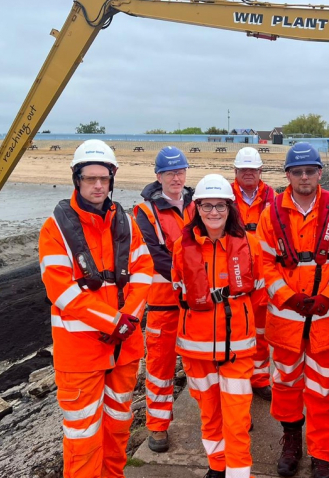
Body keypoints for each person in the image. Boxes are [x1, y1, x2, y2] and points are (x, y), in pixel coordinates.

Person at [38, 140, 153, 478]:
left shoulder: (126, 224)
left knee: (118, 429)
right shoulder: (54, 228)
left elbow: (144, 272)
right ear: (77, 180)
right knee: (82, 437)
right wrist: (114, 321)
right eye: (90, 179)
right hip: (81, 354)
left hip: (125, 347)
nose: (98, 185)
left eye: (103, 178)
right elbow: (61, 290)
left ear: (112, 179)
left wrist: (128, 318)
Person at [257, 142, 329, 478]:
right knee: (286, 386)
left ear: (320, 173)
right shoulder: (271, 213)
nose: (304, 177)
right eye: (297, 172)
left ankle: (322, 456)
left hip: (326, 323)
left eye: (310, 171)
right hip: (286, 324)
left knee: (324, 391)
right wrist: (287, 297)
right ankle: (291, 441)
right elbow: (264, 263)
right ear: (288, 175)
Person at [171, 174, 265, 478]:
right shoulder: (180, 247)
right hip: (196, 350)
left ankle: (239, 473)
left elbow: (260, 291)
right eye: (207, 206)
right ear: (196, 208)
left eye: (220, 206)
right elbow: (177, 289)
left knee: (237, 419)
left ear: (230, 208)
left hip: (238, 347)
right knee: (209, 414)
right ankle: (217, 465)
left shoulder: (250, 244)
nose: (214, 212)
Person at [133, 146, 195, 453]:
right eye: (171, 173)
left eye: (181, 172)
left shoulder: (198, 204)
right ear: (159, 176)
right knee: (159, 366)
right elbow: (155, 257)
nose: (177, 178)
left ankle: (218, 416)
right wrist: (193, 274)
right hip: (164, 304)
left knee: (205, 364)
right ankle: (157, 427)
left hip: (198, 303)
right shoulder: (144, 212)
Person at [232, 146, 276, 401]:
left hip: (264, 274)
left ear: (260, 171)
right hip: (234, 273)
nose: (248, 174)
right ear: (236, 171)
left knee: (261, 331)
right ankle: (240, 377)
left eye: (252, 169)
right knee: (237, 329)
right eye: (243, 169)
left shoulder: (273, 197)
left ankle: (259, 378)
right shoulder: (225, 196)